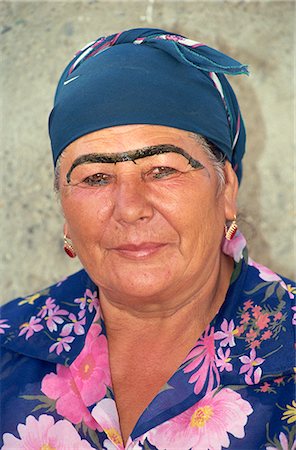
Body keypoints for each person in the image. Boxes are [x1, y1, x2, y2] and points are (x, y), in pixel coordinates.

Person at [0, 28, 295, 450]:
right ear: (64, 209)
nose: (130, 207)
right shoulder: (10, 345)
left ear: (226, 188)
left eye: (163, 170)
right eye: (95, 177)